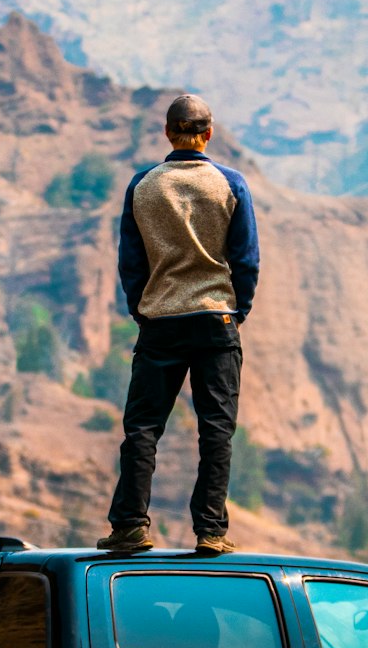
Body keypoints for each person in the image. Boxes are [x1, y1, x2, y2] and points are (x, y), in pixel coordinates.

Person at [97, 93, 260, 555]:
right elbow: (246, 259)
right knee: (215, 430)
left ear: (168, 133)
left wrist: (143, 308)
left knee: (143, 427)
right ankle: (210, 530)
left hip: (161, 321)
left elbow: (131, 261)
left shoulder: (143, 186)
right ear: (208, 134)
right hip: (216, 320)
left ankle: (130, 525)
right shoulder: (231, 185)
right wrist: (236, 310)